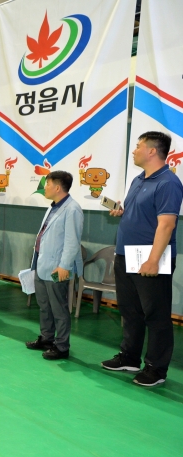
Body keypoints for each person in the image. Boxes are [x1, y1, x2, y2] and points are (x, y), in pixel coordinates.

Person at [101, 131, 183, 386]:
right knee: (130, 310)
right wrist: (122, 211)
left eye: (138, 146)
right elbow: (142, 214)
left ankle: (156, 369)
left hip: (150, 257)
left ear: (152, 151)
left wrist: (154, 260)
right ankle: (130, 356)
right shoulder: (138, 179)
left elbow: (167, 225)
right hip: (126, 254)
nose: (134, 150)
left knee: (155, 314)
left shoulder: (168, 182)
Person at [25, 171, 83, 361]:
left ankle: (62, 345)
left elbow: (72, 242)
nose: (45, 188)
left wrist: (64, 265)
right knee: (44, 306)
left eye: (47, 184)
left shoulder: (72, 209)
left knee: (59, 308)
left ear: (57, 187)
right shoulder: (53, 207)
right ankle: (47, 338)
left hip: (57, 268)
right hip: (43, 265)